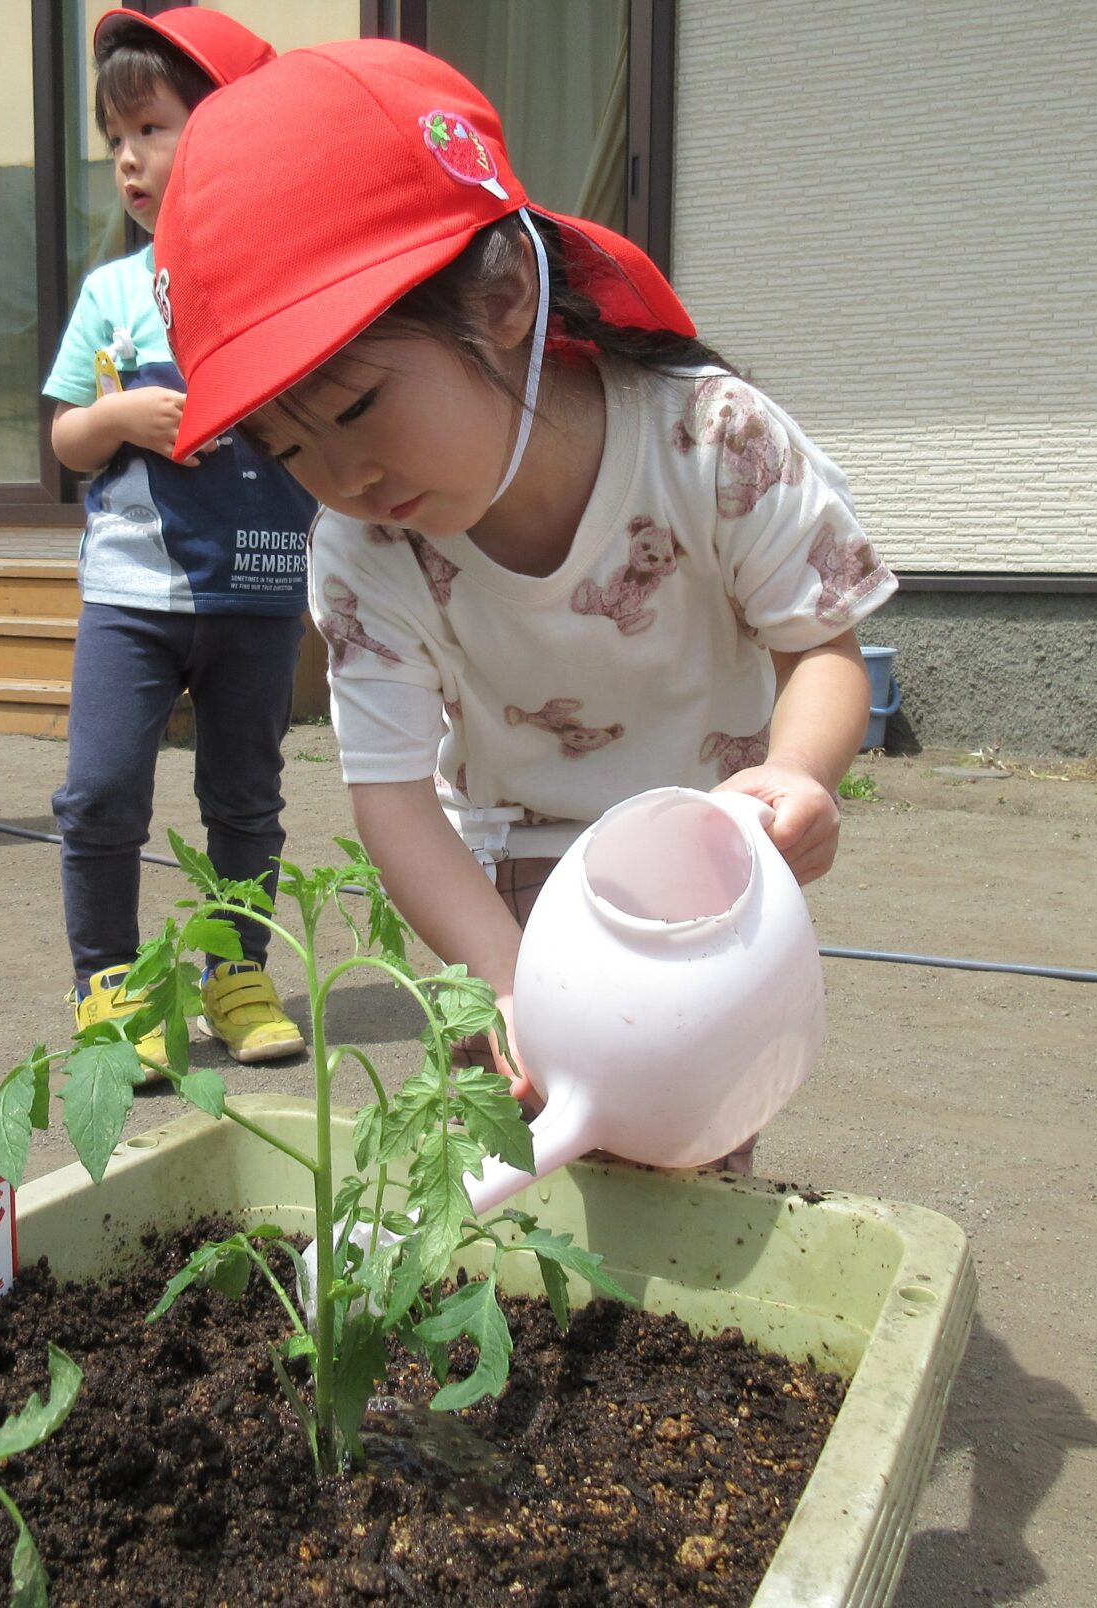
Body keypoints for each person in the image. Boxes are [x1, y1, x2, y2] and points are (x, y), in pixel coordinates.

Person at [150, 40, 895, 1134]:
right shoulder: (364, 555)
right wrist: (510, 980)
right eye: (287, 446)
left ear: (501, 295)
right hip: (496, 889)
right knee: (500, 1183)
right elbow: (394, 801)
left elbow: (818, 646)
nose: (343, 476)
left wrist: (798, 774)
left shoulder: (708, 443)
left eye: (356, 410)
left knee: (686, 1158)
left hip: (704, 877)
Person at [43, 9, 320, 1072]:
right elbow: (67, 438)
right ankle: (108, 982)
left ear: (227, 134)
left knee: (245, 797)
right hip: (130, 594)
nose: (128, 158)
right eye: (116, 139)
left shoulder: (280, 288)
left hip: (257, 590)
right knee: (103, 787)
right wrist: (118, 420)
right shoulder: (111, 294)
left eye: (152, 128)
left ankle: (235, 971)